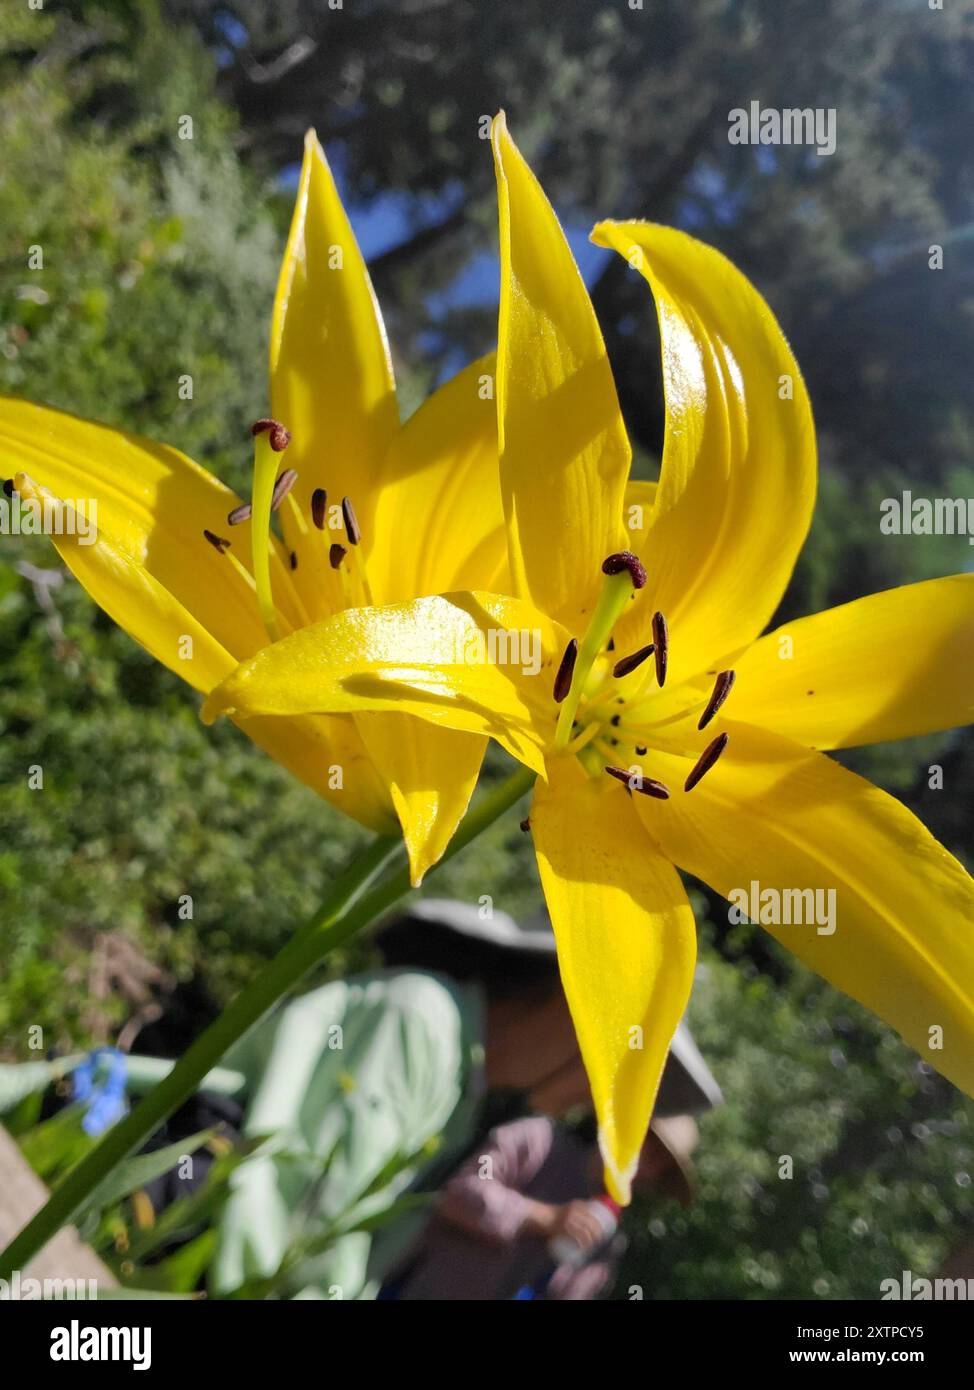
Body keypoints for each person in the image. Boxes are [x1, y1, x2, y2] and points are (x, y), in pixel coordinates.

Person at [209, 898, 721, 1300]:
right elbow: (300, 1215)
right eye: (614, 1073)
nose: (600, 1101)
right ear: (575, 1012)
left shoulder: (460, 1088)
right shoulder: (419, 1023)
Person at [391, 1111, 701, 1300]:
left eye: (659, 1164)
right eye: (649, 1148)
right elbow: (459, 1192)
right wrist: (545, 1217)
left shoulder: (607, 1240)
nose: (646, 1167)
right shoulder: (538, 1141)